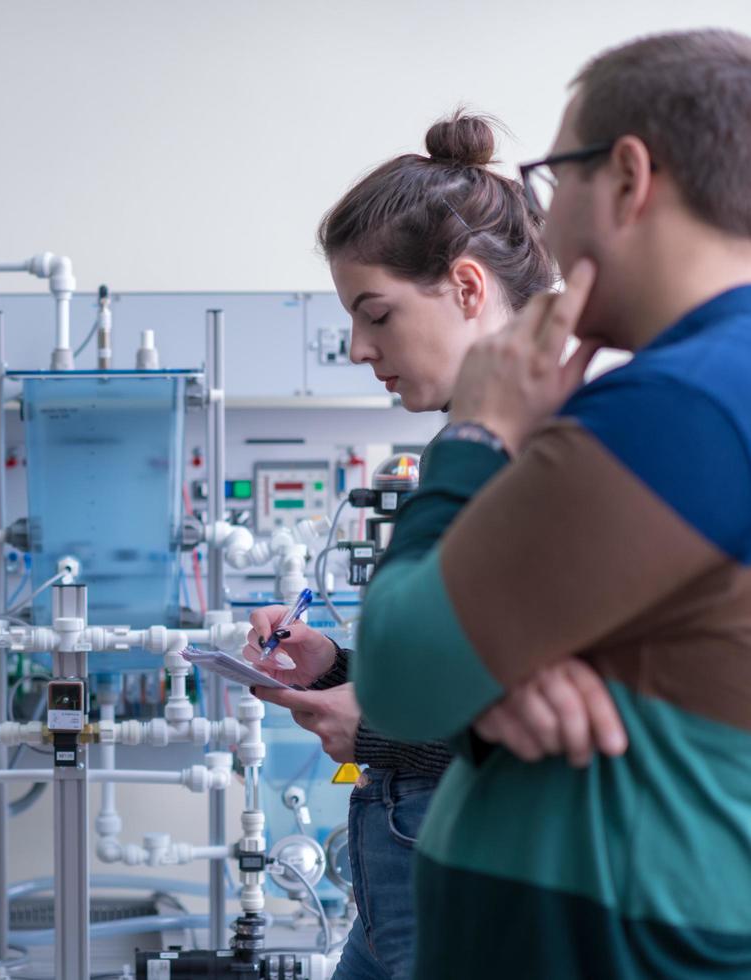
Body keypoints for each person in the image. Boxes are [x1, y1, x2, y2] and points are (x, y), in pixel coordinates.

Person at [350, 29, 751, 978]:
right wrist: (498, 667)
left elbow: (404, 669)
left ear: (626, 176)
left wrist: (479, 435)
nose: (548, 227)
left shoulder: (680, 406)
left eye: (554, 179)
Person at [242, 114, 626, 980]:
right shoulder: (474, 446)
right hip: (396, 887)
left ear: (464, 287)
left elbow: (594, 718)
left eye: (375, 313)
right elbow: (478, 661)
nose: (357, 347)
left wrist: (376, 730)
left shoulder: (573, 445)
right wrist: (339, 670)